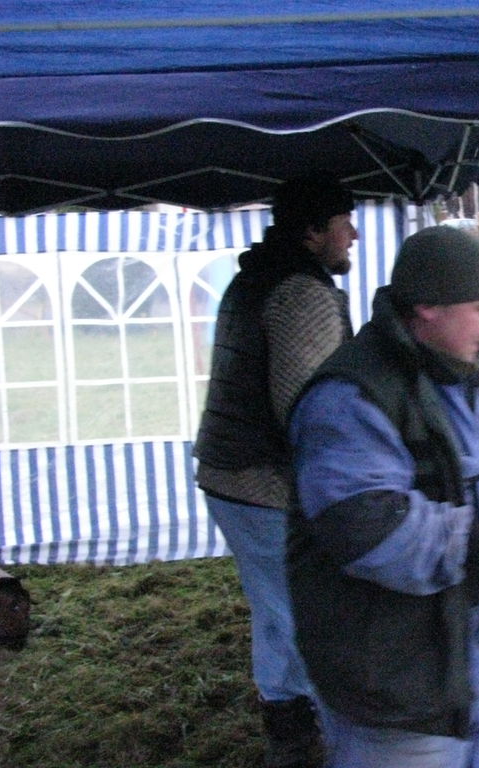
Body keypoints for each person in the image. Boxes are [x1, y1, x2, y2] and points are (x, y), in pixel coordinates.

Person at [286, 225, 479, 768]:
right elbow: (369, 530)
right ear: (427, 308)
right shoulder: (349, 398)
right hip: (395, 671)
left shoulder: (475, 377)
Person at [193, 175, 359, 768]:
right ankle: (325, 739)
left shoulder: (254, 278)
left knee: (276, 611)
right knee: (308, 616)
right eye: (343, 222)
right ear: (312, 231)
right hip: (261, 483)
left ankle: (289, 727)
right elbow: (310, 412)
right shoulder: (300, 293)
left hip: (229, 475)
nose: (353, 235)